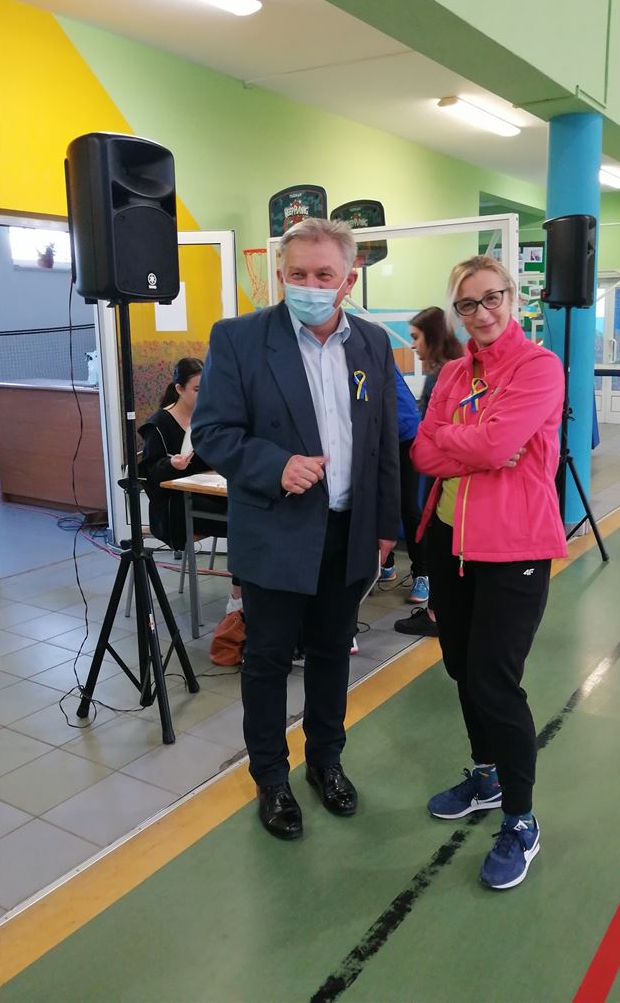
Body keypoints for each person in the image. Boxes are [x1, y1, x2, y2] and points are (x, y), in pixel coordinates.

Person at [192, 218, 399, 842]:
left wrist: (385, 524)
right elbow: (212, 433)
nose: (309, 284)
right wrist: (275, 465)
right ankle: (271, 778)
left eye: (323, 274)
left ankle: (326, 762)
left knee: (334, 652)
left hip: (349, 531)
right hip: (277, 529)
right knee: (267, 660)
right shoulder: (240, 339)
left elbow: (382, 440)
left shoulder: (371, 343)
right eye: (298, 273)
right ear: (281, 274)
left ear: (348, 280)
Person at [410, 254, 567, 891]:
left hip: (513, 548)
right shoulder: (452, 372)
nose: (482, 313)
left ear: (512, 296)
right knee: (459, 667)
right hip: (450, 543)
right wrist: (472, 445)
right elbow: (423, 450)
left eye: (492, 297)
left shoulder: (538, 367)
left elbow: (499, 445)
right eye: (468, 304)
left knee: (495, 683)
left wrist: (462, 441)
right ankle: (486, 775)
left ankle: (521, 820)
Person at [138, 358, 241, 612]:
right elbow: (150, 472)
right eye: (197, 389)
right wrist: (171, 464)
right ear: (179, 389)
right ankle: (238, 599)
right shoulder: (158, 425)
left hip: (202, 494)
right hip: (173, 507)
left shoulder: (205, 419)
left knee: (249, 512)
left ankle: (246, 593)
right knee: (244, 524)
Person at [393, 306, 464, 637]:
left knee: (433, 531)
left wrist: (432, 449)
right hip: (445, 471)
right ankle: (439, 608)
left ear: (432, 337)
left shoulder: (444, 374)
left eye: (416, 337)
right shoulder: (449, 369)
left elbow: (438, 430)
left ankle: (436, 612)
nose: (412, 344)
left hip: (445, 474)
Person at [377, 367, 430, 605]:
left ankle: (422, 573)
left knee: (408, 505)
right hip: (376, 438)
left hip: (404, 435)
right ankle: (385, 565)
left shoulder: (376, 358)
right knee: (376, 501)